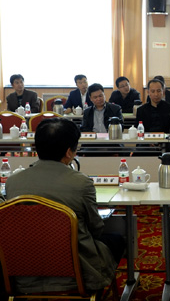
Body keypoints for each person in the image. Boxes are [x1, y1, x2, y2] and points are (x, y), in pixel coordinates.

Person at [6, 118, 124, 293]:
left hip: (24, 271)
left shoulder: (13, 182)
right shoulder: (81, 183)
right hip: (76, 271)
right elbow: (96, 228)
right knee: (117, 239)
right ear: (69, 152)